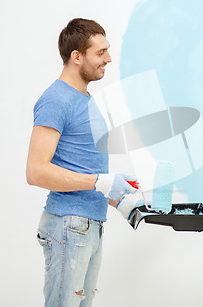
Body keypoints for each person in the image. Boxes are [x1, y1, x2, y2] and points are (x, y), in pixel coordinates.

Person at [26, 18, 138, 307]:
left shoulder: (86, 100)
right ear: (77, 57)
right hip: (68, 225)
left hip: (89, 225)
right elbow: (36, 171)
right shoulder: (56, 100)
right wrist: (99, 182)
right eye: (100, 53)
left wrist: (118, 197)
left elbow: (83, 167)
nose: (108, 59)